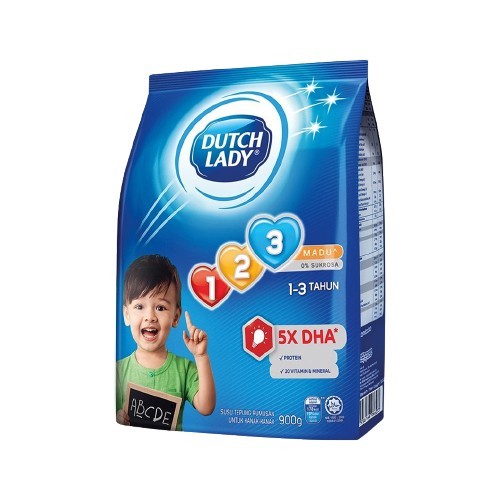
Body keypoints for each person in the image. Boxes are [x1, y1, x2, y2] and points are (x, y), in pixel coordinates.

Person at [116, 254, 215, 430]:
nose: (150, 317)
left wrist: (201, 357)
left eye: (160, 308)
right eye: (139, 307)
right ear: (126, 314)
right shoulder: (117, 372)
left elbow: (206, 407)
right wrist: (117, 419)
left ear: (175, 317)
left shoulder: (184, 369)